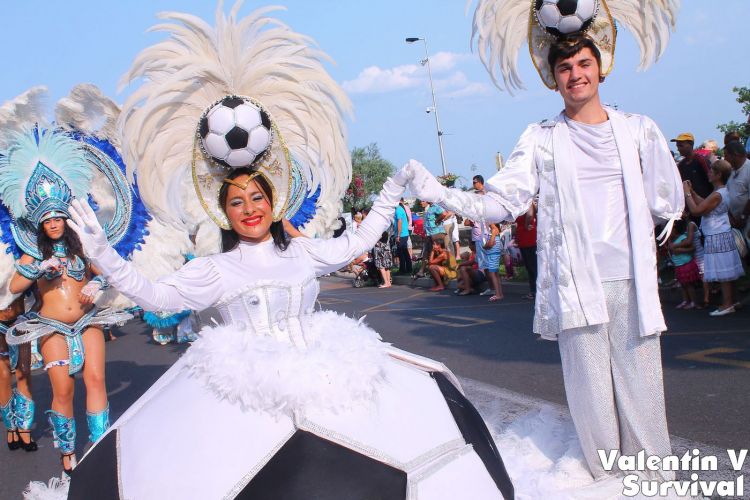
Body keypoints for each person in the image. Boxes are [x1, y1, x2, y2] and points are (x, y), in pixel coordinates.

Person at [47, 8, 513, 499]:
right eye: (237, 202)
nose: (250, 209)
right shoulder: (216, 270)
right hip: (242, 393)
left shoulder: (302, 254)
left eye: (257, 198)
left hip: (325, 371)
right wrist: (103, 254)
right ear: (224, 213)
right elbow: (156, 296)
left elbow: (358, 242)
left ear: (273, 203)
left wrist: (393, 188)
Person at [408, 1, 684, 480]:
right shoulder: (541, 139)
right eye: (565, 67)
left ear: (601, 66)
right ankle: (609, 487)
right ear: (553, 77)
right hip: (576, 289)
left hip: (632, 286)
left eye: (583, 63)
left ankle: (656, 487)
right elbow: (501, 203)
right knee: (594, 412)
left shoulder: (640, 132)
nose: (576, 75)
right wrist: (438, 192)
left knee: (645, 406)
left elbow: (666, 201)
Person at [1, 129, 132, 474]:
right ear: (40, 224)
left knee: (96, 380)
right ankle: (68, 452)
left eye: (58, 218)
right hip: (52, 328)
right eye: (47, 221)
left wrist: (97, 285)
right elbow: (15, 285)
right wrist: (39, 268)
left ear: (66, 218)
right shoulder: (32, 252)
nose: (54, 224)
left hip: (88, 321)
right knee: (63, 390)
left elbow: (105, 272)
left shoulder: (82, 246)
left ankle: (100, 446)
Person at [684, 160, 745, 316]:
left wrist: (687, 193)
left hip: (717, 235)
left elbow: (697, 210)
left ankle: (727, 304)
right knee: (728, 269)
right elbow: (705, 205)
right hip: (720, 233)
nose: (708, 172)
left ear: (718, 175)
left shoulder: (718, 194)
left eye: (711, 170)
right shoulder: (721, 191)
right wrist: (693, 193)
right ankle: (733, 301)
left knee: (724, 272)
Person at [0, 296, 37, 452]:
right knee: (3, 374)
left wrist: (30, 316)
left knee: (24, 371)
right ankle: (11, 427)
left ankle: (24, 427)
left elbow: (39, 295)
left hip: (19, 322)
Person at [667, 219, 701, 309]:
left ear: (675, 230)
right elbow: (670, 249)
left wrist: (680, 250)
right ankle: (685, 300)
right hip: (678, 265)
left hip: (686, 264)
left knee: (689, 284)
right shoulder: (671, 240)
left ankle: (693, 302)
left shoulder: (682, 238)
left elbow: (692, 248)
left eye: (670, 231)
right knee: (682, 284)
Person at [673, 132, 712, 199]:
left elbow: (712, 180)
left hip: (704, 201)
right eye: (677, 146)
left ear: (691, 144)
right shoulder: (681, 165)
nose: (678, 149)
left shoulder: (701, 160)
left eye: (681, 146)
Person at [724, 141, 750, 230]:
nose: (724, 159)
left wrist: (743, 217)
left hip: (746, 222)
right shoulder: (731, 170)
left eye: (726, 155)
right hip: (733, 221)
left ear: (735, 155)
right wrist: (730, 215)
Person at [516, 203, 537, 300]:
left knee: (532, 266)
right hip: (524, 236)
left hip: (527, 236)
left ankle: (534, 291)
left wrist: (526, 224)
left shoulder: (528, 202)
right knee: (531, 266)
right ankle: (534, 290)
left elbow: (530, 215)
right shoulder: (522, 203)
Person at [482, 223, 504, 302]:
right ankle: (500, 293)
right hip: (493, 254)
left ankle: (497, 294)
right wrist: (486, 245)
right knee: (496, 274)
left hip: (493, 255)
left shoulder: (494, 230)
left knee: (493, 274)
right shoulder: (493, 230)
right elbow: (488, 244)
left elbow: (490, 244)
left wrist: (485, 246)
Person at [393, 201, 411, 275]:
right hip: (404, 234)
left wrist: (398, 235)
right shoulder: (400, 209)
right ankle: (408, 269)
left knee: (401, 253)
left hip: (402, 235)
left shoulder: (398, 210)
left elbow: (399, 222)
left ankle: (402, 270)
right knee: (405, 252)